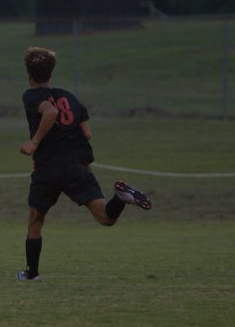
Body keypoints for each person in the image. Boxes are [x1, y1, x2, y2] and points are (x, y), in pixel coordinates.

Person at [17, 47, 151, 282]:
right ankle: (120, 198)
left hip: (48, 168)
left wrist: (35, 141)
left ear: (29, 74)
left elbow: (50, 112)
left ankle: (31, 274)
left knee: (36, 219)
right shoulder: (70, 96)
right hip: (76, 166)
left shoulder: (31, 95)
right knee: (105, 218)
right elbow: (87, 133)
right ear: (50, 73)